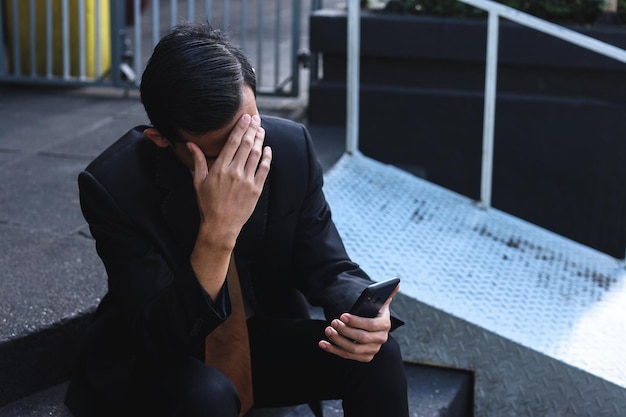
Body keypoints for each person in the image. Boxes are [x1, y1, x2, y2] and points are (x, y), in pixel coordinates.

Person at [65, 20, 409, 417]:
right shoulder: (114, 185)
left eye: (249, 133)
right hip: (161, 357)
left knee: (377, 355)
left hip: (258, 336)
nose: (241, 162)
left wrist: (364, 315)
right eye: (217, 155)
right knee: (207, 395)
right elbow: (159, 338)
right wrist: (218, 231)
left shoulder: (288, 148)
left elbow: (329, 265)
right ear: (160, 138)